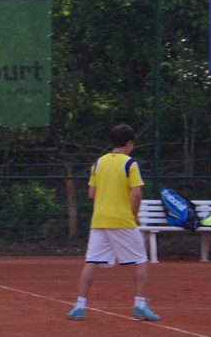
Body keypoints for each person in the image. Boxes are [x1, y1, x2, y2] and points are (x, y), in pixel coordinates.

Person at [67, 124, 160, 322]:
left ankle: (79, 306)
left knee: (91, 261)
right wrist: (134, 214)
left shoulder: (98, 163)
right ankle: (140, 305)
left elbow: (91, 193)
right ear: (129, 143)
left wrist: (107, 199)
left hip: (99, 219)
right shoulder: (130, 163)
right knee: (140, 260)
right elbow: (137, 194)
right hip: (122, 219)